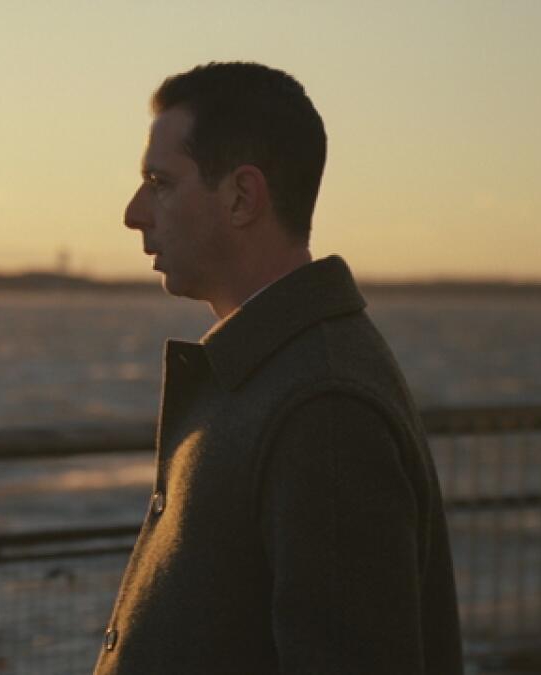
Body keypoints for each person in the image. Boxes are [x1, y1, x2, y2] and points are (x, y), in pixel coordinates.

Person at [94, 62, 463, 674]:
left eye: (159, 182)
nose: (135, 212)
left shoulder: (324, 408)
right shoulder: (283, 373)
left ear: (242, 197)